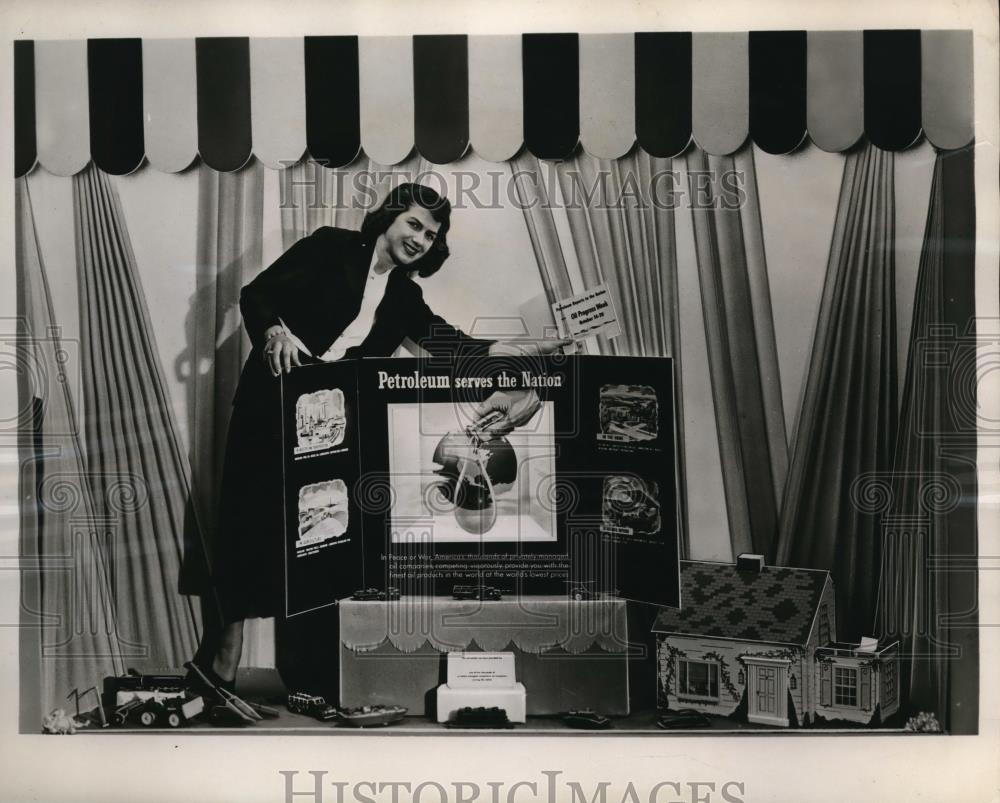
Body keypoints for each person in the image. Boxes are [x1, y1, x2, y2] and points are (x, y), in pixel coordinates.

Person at [188, 182, 568, 697]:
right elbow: (257, 295)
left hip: (330, 429)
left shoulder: (405, 298)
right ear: (389, 218)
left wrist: (530, 348)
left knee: (322, 536)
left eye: (431, 235)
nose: (420, 239)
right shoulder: (329, 246)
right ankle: (221, 663)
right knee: (250, 527)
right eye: (414, 224)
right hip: (270, 411)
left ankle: (310, 675)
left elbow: (456, 349)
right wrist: (274, 333)